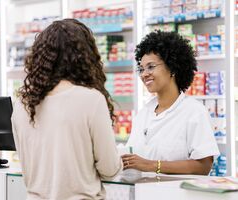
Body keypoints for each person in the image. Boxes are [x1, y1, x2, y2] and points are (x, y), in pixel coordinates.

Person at [11, 19, 122, 200]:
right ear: (86, 56)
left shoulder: (23, 104)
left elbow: (27, 167)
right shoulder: (91, 99)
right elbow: (110, 170)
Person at [122, 30, 219, 175]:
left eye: (151, 67)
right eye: (141, 69)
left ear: (172, 68)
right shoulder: (144, 114)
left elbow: (203, 166)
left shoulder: (194, 112)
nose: (144, 74)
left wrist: (152, 165)